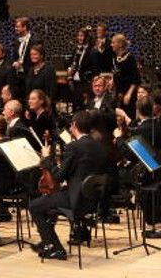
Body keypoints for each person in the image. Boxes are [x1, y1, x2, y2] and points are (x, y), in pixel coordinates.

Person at [28, 111, 110, 260]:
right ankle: (47, 241)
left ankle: (55, 248)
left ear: (74, 126)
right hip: (94, 200)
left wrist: (47, 159)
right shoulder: (99, 145)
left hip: (76, 200)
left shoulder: (74, 146)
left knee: (35, 206)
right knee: (49, 203)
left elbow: (58, 177)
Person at [111, 34, 140, 108]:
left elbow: (135, 78)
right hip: (118, 92)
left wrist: (129, 94)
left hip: (128, 93)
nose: (111, 45)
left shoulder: (130, 58)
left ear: (120, 44)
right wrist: (112, 81)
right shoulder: (115, 57)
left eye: (113, 43)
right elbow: (116, 72)